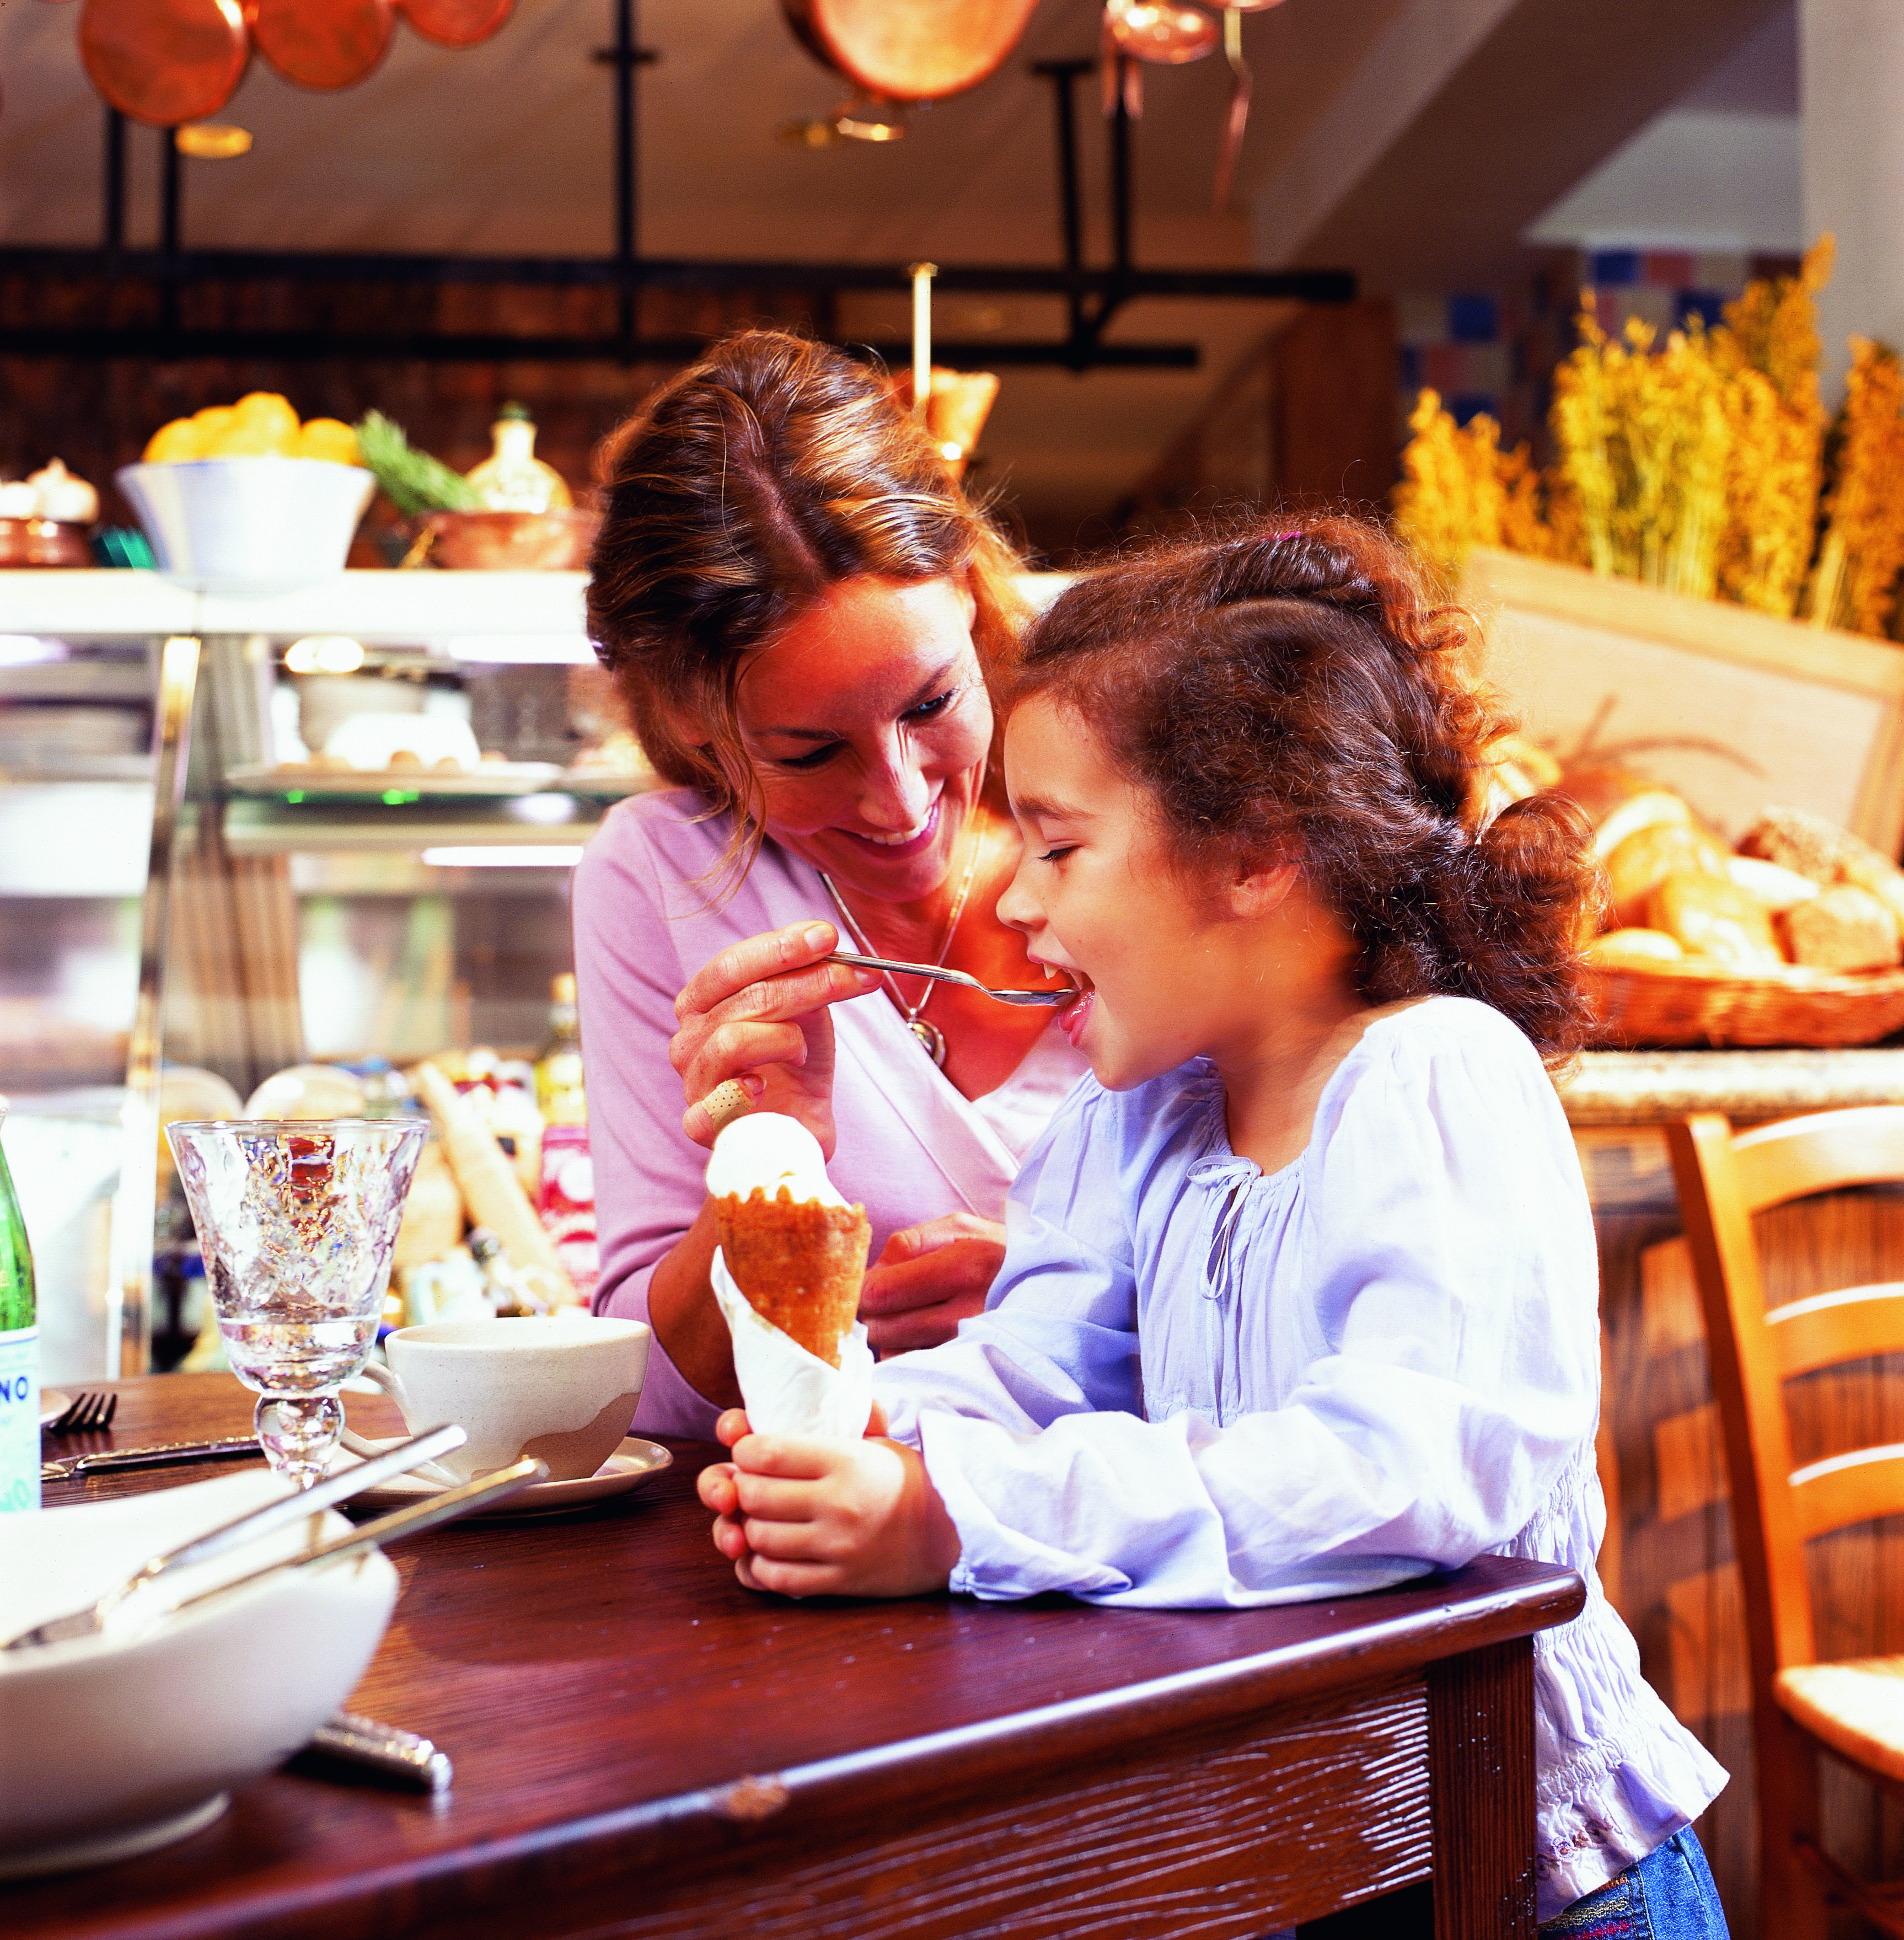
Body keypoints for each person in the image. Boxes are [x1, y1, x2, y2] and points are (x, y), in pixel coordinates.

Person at [698, 516, 1731, 1933]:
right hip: (1309, 1864)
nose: (1009, 896)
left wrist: (960, 1517)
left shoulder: (1437, 1078)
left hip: (1524, 1879)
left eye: (1058, 844)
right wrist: (865, 1444)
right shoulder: (1144, 1113)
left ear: (1255, 854)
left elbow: (1399, 1472)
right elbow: (1035, 1363)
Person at [576, 330, 1088, 1433]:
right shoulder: (661, 874)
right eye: (809, 753)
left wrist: (1062, 1301)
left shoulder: (1136, 790)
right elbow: (653, 1396)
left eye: (928, 706)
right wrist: (769, 1177)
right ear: (687, 722)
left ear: (964, 591)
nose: (900, 805)